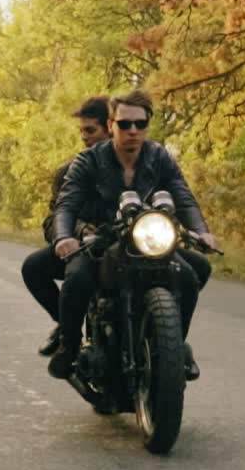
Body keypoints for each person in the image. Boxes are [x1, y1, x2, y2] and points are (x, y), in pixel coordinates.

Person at [49, 90, 217, 381]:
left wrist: (202, 232)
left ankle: (175, 346)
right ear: (112, 124)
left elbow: (183, 196)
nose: (133, 131)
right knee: (77, 279)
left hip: (146, 237)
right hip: (103, 241)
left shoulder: (159, 156)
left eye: (140, 124)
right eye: (125, 124)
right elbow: (66, 204)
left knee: (192, 274)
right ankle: (69, 345)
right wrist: (65, 236)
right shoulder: (88, 160)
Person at [20, 96, 112, 357]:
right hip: (83, 248)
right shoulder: (68, 172)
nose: (84, 137)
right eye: (81, 131)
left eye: (90, 130)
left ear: (109, 127)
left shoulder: (135, 165)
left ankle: (169, 347)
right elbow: (52, 221)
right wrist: (77, 232)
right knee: (33, 267)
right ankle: (66, 325)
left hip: (126, 246)